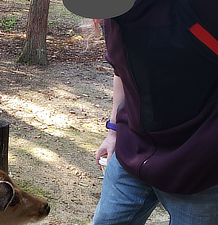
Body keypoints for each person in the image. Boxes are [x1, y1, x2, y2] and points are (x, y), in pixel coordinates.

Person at [92, 0, 218, 224]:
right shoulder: (110, 12)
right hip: (132, 150)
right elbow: (121, 70)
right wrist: (112, 131)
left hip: (198, 167)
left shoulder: (200, 8)